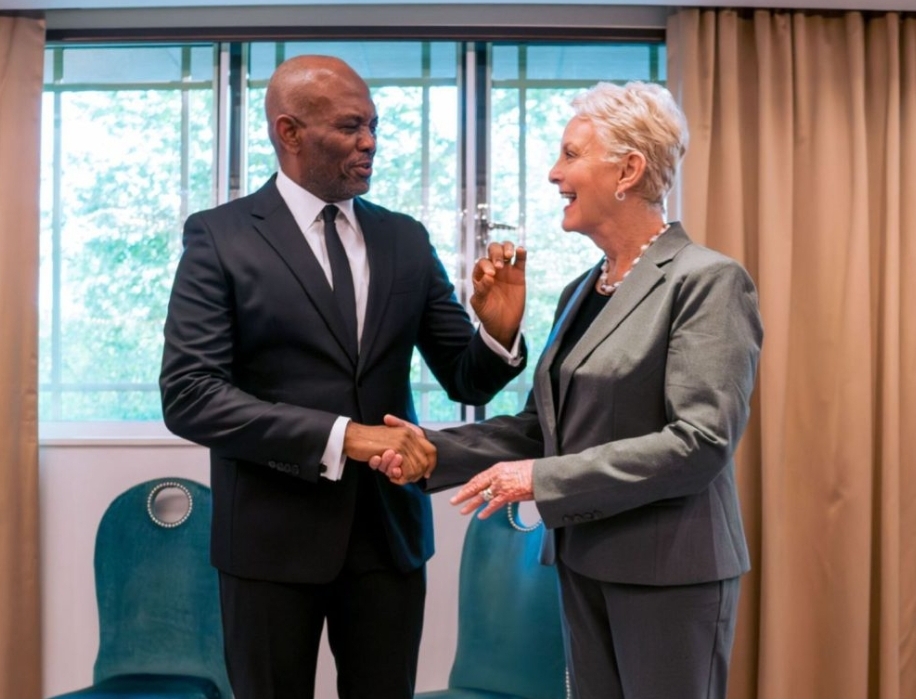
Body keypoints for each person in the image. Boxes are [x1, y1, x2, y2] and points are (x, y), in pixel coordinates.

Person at [374, 80, 763, 699]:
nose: (555, 173)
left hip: (670, 572)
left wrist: (539, 479)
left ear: (628, 170)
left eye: (571, 155)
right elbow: (542, 428)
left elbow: (700, 442)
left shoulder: (708, 280)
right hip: (583, 559)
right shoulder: (581, 289)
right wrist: (431, 451)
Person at [159, 54, 527, 699]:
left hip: (388, 540)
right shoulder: (219, 237)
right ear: (290, 132)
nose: (370, 143)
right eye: (352, 127)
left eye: (374, 126)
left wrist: (497, 333)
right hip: (268, 542)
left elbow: (466, 380)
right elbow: (191, 395)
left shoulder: (404, 238)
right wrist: (344, 436)